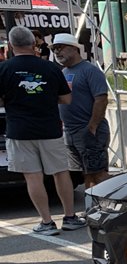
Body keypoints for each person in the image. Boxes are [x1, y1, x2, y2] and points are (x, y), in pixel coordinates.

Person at [0, 25, 80, 235]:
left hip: (19, 130)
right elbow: (66, 98)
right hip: (50, 128)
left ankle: (46, 222)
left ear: (11, 45)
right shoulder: (51, 68)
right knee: (61, 173)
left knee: (32, 177)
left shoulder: (4, 69)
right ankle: (70, 217)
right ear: (34, 43)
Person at [51, 32, 111, 190]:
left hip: (88, 130)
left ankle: (122, 204)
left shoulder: (90, 70)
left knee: (98, 173)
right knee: (87, 174)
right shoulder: (63, 73)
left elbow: (101, 99)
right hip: (70, 132)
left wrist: (92, 127)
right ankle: (94, 209)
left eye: (60, 47)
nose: (57, 52)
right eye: (54, 48)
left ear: (74, 49)